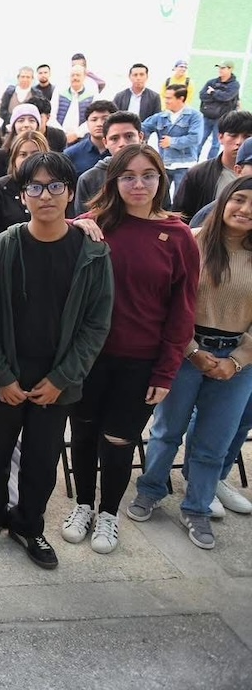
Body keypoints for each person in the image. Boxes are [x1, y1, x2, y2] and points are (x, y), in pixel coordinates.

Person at [0, 151, 114, 569]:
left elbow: (96, 324)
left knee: (43, 459)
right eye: (34, 187)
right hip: (6, 375)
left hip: (59, 379)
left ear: (70, 194)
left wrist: (64, 378)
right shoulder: (1, 248)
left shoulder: (92, 252)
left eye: (55, 186)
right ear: (22, 197)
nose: (44, 195)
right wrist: (1, 375)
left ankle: (29, 526)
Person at [63, 144, 198, 555]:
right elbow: (48, 226)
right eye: (128, 176)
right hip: (89, 357)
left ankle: (108, 513)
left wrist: (166, 371)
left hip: (141, 361)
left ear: (162, 179)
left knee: (119, 440)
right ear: (114, 182)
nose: (138, 184)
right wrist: (77, 223)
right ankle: (83, 504)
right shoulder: (97, 224)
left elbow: (182, 312)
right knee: (83, 434)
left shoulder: (178, 237)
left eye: (148, 175)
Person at [127, 176, 252, 549]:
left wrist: (238, 360)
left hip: (237, 359)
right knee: (167, 430)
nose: (245, 210)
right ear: (223, 200)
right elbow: (167, 304)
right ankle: (150, 489)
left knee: (215, 441)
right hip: (185, 349)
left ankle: (197, 507)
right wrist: (193, 351)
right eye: (239, 200)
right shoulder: (190, 240)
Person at [171, 111, 252, 222]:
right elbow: (181, 215)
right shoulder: (199, 174)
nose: (239, 142)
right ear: (220, 137)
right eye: (233, 136)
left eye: (247, 137)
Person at [73, 112, 144, 217]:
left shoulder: (154, 173)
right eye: (114, 138)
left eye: (129, 136)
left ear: (140, 137)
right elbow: (82, 221)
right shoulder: (89, 179)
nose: (122, 144)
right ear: (105, 142)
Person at [0, 131, 49, 237]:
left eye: (35, 154)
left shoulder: (57, 187)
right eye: (23, 154)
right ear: (14, 159)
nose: (29, 159)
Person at [141, 84, 205, 165]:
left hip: (185, 164)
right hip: (165, 164)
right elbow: (143, 128)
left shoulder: (195, 116)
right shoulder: (160, 116)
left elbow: (195, 138)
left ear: (181, 99)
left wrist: (172, 142)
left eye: (169, 98)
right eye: (165, 98)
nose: (166, 101)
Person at [199, 61, 242, 161]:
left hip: (221, 118)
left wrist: (213, 92)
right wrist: (217, 96)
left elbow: (226, 97)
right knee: (200, 140)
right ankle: (193, 162)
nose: (220, 70)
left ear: (230, 69)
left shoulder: (234, 85)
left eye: (223, 68)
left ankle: (210, 164)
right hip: (207, 116)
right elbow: (202, 95)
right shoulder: (211, 82)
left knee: (216, 143)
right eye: (219, 68)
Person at [65, 100, 118, 178]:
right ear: (87, 123)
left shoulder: (121, 150)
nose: (99, 124)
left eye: (105, 119)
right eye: (94, 120)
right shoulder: (71, 154)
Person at [54, 66, 95, 144]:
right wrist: (61, 133)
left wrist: (76, 134)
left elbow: (92, 119)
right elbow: (52, 116)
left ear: (84, 77)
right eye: (72, 75)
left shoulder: (91, 96)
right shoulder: (60, 93)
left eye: (78, 75)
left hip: (82, 138)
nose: (75, 78)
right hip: (60, 137)